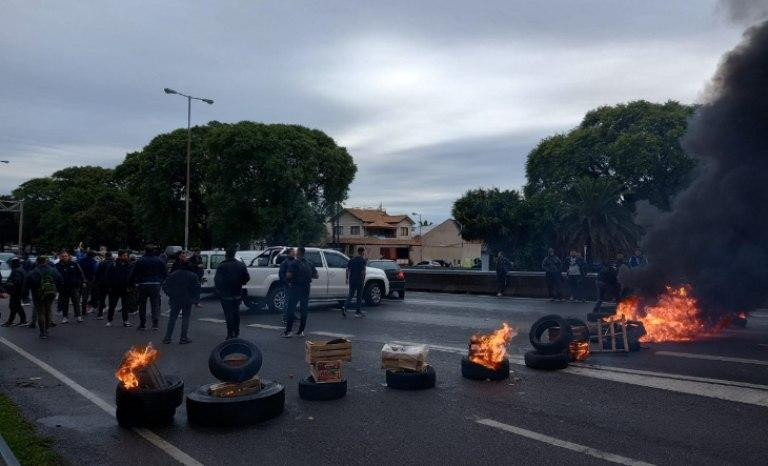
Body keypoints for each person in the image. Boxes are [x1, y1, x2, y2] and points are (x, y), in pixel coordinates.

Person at [214, 248, 250, 340]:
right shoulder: (241, 265)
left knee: (228, 314)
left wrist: (220, 290)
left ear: (226, 255)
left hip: (225, 294)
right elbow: (247, 278)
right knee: (236, 313)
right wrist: (240, 283)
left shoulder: (222, 266)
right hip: (237, 293)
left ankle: (230, 333)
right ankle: (236, 332)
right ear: (234, 255)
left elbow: (217, 280)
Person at [129, 245, 167, 331]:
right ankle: (155, 324)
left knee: (142, 305)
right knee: (155, 304)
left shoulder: (140, 261)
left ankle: (142, 324)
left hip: (143, 284)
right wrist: (160, 282)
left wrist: (132, 283)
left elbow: (134, 273)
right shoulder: (159, 260)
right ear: (153, 251)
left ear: (145, 251)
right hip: (155, 284)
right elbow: (165, 273)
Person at [282, 247, 317, 338]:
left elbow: (289, 275)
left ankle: (289, 331)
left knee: (291, 309)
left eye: (296, 252)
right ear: (304, 253)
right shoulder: (309, 263)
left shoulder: (294, 263)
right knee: (304, 310)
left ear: (298, 253)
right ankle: (301, 331)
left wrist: (288, 280)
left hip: (295, 289)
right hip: (306, 289)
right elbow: (316, 275)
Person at [24, 256, 62, 338]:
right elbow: (60, 280)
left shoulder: (33, 271)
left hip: (38, 294)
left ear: (37, 262)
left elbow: (27, 284)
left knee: (41, 312)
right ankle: (47, 329)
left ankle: (42, 332)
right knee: (48, 310)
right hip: (51, 293)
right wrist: (57, 290)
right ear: (46, 261)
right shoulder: (53, 270)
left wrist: (25, 296)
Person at [161, 260, 199, 344]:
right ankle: (183, 338)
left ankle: (168, 337)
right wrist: (194, 300)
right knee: (185, 318)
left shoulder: (173, 274)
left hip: (175, 299)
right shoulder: (193, 276)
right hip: (187, 300)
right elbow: (196, 288)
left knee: (172, 318)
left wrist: (170, 294)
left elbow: (165, 286)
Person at [56, 251, 85, 323]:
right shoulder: (57, 265)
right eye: (63, 256)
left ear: (68, 256)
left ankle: (79, 316)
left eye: (66, 256)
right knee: (64, 303)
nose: (64, 257)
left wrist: (83, 282)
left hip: (74, 287)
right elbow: (55, 276)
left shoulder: (74, 264)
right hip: (63, 287)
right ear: (60, 257)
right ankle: (65, 317)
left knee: (76, 302)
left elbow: (80, 273)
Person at [106, 250, 133, 327]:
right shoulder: (113, 265)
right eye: (124, 256)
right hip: (115, 288)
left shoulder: (129, 265)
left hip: (126, 289)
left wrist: (131, 286)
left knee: (125, 306)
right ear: (119, 256)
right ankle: (109, 320)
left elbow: (132, 276)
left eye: (126, 256)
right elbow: (108, 276)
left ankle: (125, 320)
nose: (126, 257)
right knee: (112, 305)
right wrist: (110, 286)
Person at [1, 258, 27, 327]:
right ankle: (19, 321)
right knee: (16, 307)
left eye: (11, 263)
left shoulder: (16, 271)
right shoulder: (20, 269)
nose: (10, 265)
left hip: (16, 292)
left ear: (13, 263)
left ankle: (12, 321)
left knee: (14, 306)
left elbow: (16, 282)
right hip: (19, 292)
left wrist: (8, 286)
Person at [343, 247, 367, 318]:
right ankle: (357, 312)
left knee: (350, 295)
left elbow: (347, 270)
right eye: (364, 252)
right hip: (359, 280)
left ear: (357, 251)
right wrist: (363, 279)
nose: (364, 253)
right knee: (359, 297)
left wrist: (347, 278)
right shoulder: (362, 260)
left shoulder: (352, 260)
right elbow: (363, 271)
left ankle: (344, 307)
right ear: (362, 252)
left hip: (352, 280)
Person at [77, 250, 98, 315]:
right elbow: (95, 271)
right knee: (85, 296)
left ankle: (77, 310)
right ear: (93, 256)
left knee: (78, 296)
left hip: (79, 279)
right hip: (88, 280)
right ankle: (83, 310)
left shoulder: (80, 260)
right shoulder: (93, 262)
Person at [94, 252, 114, 319]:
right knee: (112, 299)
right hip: (112, 283)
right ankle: (111, 315)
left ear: (105, 256)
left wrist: (96, 282)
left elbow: (97, 273)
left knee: (102, 299)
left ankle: (100, 314)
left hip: (103, 283)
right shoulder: (114, 263)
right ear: (111, 256)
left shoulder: (102, 263)